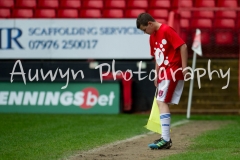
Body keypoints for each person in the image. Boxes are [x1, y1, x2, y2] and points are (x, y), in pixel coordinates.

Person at [136, 13, 188, 149]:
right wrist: (156, 74)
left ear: (150, 24)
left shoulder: (166, 30)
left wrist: (184, 68)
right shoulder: (152, 37)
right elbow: (158, 58)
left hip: (173, 70)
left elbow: (183, 46)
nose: (145, 33)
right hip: (164, 72)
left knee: (161, 101)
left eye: (144, 30)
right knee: (162, 102)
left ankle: (166, 139)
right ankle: (165, 138)